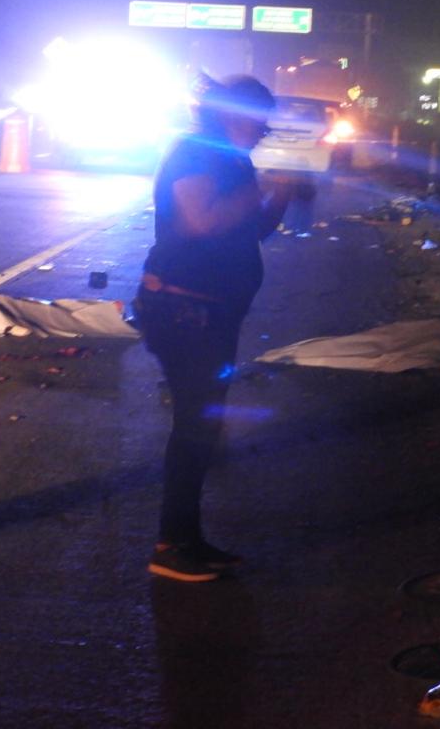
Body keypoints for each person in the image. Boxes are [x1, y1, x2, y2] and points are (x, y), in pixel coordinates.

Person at [135, 74, 291, 582]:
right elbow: (203, 222)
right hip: (184, 313)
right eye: (258, 120)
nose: (264, 131)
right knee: (195, 428)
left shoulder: (232, 157)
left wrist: (281, 197)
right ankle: (170, 547)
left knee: (203, 427)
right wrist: (264, 189)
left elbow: (249, 230)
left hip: (213, 311)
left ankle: (188, 540)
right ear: (230, 113)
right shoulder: (197, 152)